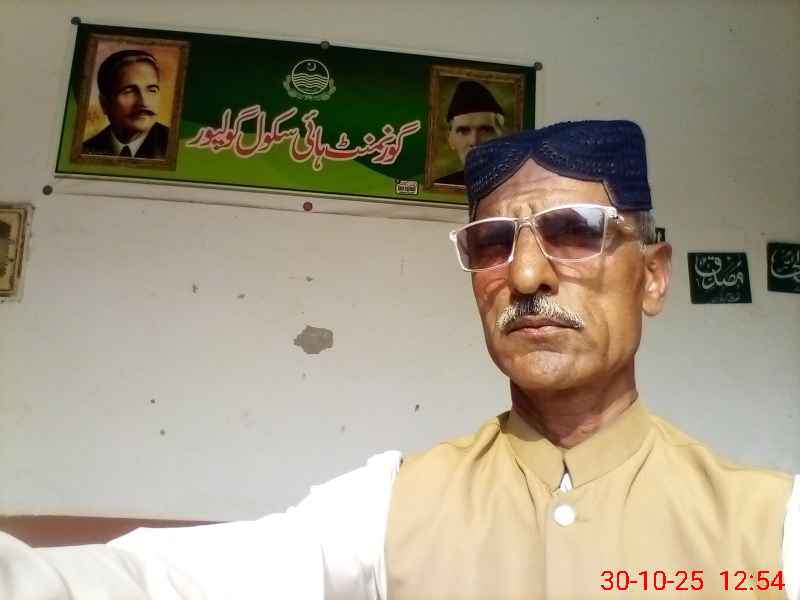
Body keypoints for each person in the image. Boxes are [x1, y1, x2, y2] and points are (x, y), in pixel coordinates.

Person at [1, 120, 798, 600]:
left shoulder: (771, 531)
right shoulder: (387, 511)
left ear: (652, 276)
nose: (525, 275)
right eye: (492, 243)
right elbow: (163, 582)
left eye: (573, 230)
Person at [81, 49, 170, 159]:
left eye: (152, 90)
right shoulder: (85, 151)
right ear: (104, 103)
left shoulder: (174, 146)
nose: (144, 102)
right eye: (129, 91)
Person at [433, 79, 504, 186]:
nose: (474, 141)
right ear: (450, 139)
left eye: (485, 130)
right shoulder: (440, 187)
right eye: (463, 131)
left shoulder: (519, 186)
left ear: (501, 137)